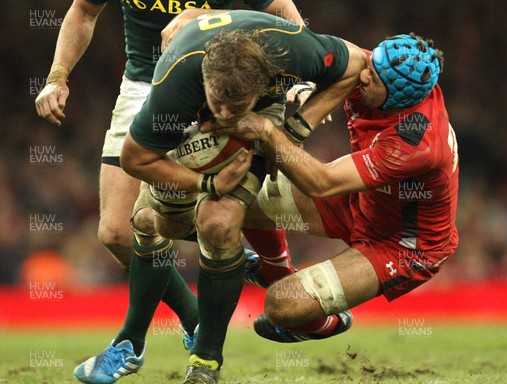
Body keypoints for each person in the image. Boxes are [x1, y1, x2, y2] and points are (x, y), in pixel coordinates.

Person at [33, 1, 304, 383]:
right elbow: (83, 11)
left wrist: (300, 82)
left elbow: (281, 9)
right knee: (116, 233)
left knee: (202, 217)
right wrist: (57, 76)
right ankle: (203, 307)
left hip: (210, 87)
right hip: (144, 85)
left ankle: (135, 343)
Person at [120, 9, 367, 383]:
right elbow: (133, 158)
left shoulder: (295, 51)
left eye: (235, 107)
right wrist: (207, 185)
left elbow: (356, 64)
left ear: (265, 83)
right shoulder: (176, 86)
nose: (224, 114)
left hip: (261, 119)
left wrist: (293, 129)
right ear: (206, 82)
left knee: (217, 223)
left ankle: (205, 362)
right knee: (162, 225)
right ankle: (243, 261)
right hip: (187, 126)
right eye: (218, 104)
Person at [211, 33, 459, 343]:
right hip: (361, 201)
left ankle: (324, 324)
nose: (365, 75)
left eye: (375, 78)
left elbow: (322, 183)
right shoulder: (385, 67)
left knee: (281, 306)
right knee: (240, 198)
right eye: (371, 65)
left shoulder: (416, 142)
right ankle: (270, 269)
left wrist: (266, 131)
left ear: (397, 96)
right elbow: (307, 45)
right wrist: (305, 84)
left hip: (401, 245)